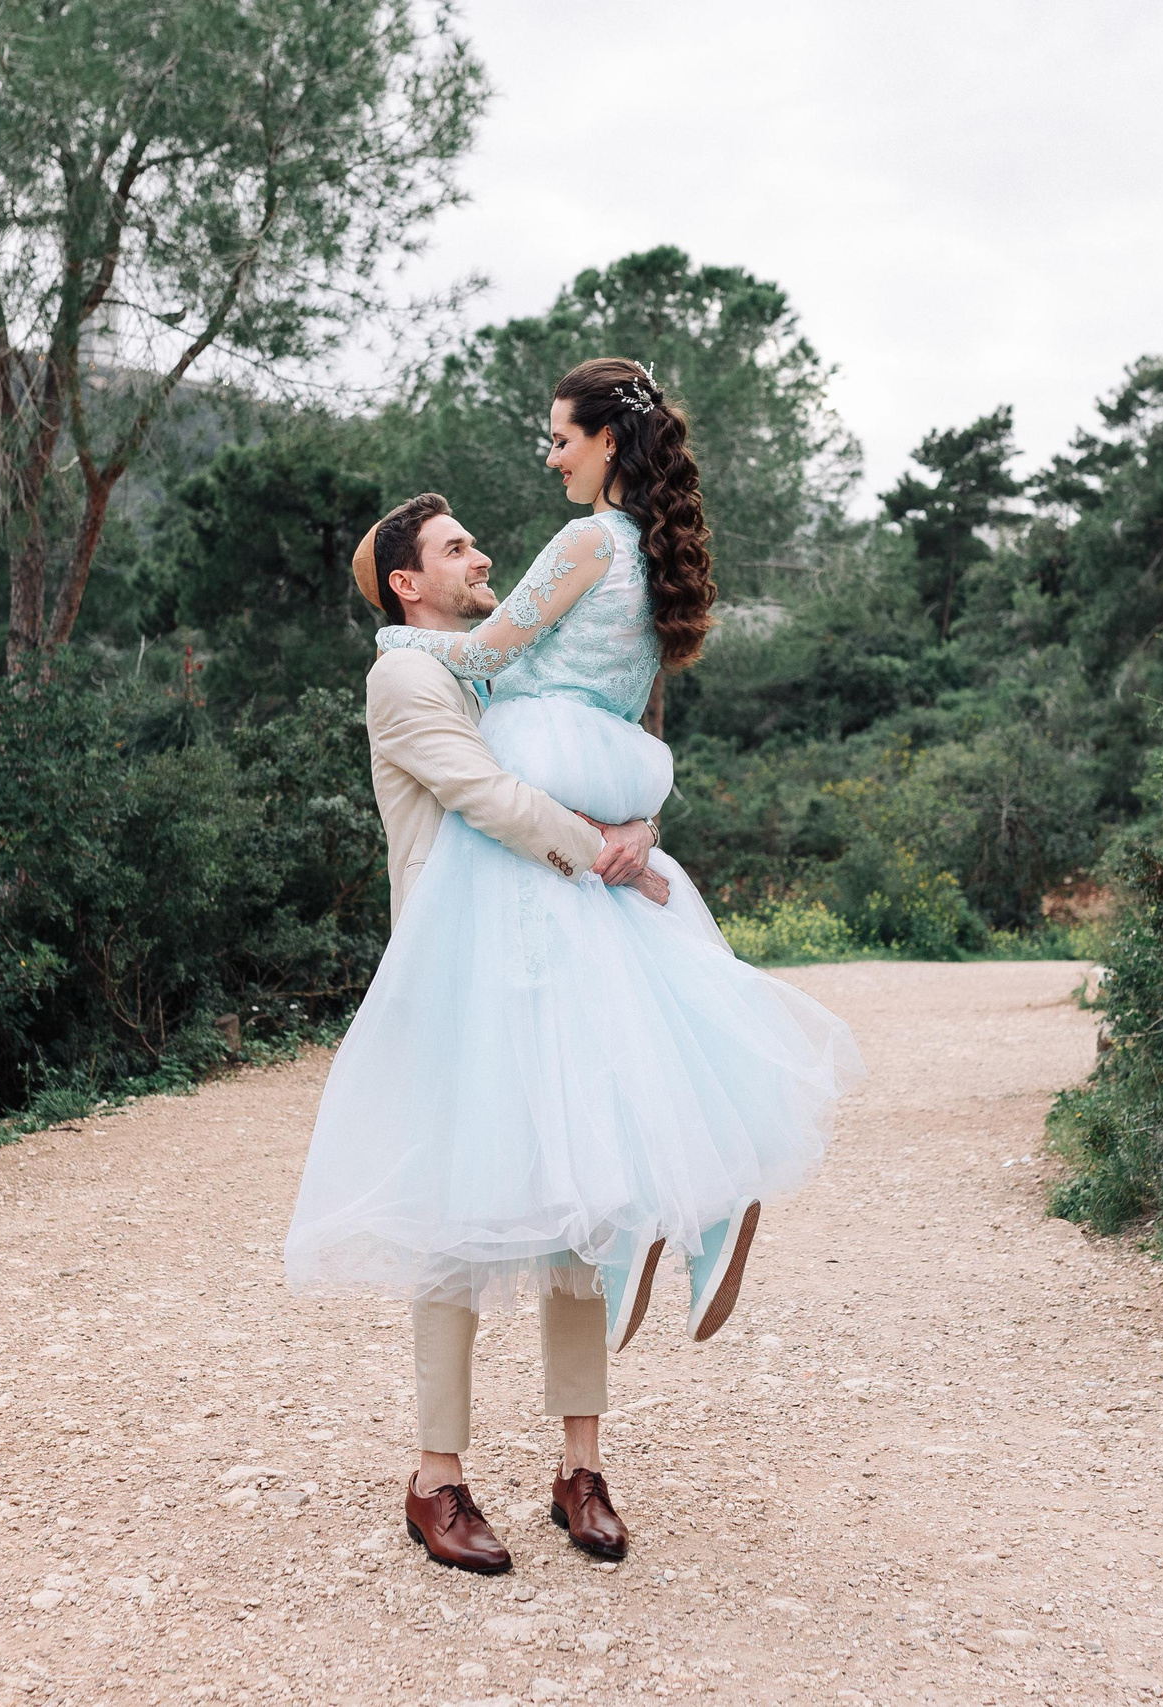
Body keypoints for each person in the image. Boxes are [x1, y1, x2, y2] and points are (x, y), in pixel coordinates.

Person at [286, 359, 863, 1575]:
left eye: (474, 541)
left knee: (578, 1201)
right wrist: (608, 847)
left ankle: (580, 1466)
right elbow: (492, 797)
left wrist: (633, 824)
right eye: (454, 549)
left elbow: (593, 729)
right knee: (454, 1220)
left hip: (547, 944)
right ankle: (436, 1478)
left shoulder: (514, 651)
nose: (480, 554)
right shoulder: (406, 670)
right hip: (460, 963)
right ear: (408, 582)